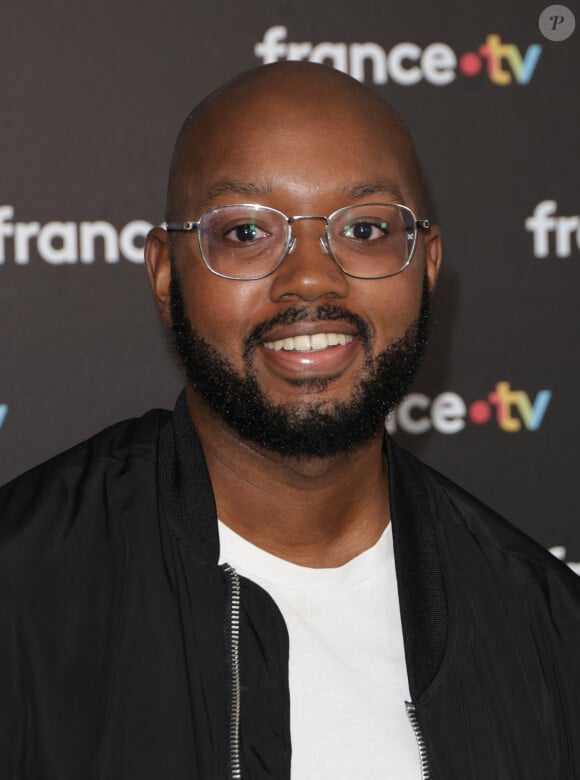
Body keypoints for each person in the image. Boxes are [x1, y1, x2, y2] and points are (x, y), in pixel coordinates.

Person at [0, 62, 578, 780]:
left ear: (426, 265)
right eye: (246, 232)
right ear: (163, 273)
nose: (310, 277)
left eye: (364, 227)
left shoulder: (546, 628)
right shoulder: (23, 594)